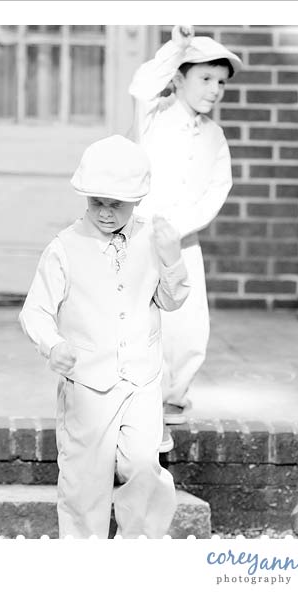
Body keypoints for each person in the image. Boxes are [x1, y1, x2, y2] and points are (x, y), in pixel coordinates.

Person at [18, 134, 189, 539]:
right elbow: (35, 310)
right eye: (97, 203)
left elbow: (172, 299)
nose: (106, 213)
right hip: (89, 383)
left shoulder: (152, 240)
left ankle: (138, 553)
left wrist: (171, 256)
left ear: (138, 201)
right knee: (84, 479)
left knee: (143, 465)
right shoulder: (65, 247)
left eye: (117, 204)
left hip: (141, 379)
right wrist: (53, 344)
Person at [128, 25, 243, 452]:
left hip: (182, 240)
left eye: (221, 83)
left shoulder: (214, 136)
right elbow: (143, 84)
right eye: (205, 79)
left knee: (189, 325)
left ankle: (171, 399)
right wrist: (176, 47)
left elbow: (218, 188)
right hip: (142, 237)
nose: (214, 90)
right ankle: (141, 408)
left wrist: (183, 227)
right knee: (140, 323)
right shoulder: (153, 114)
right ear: (179, 78)